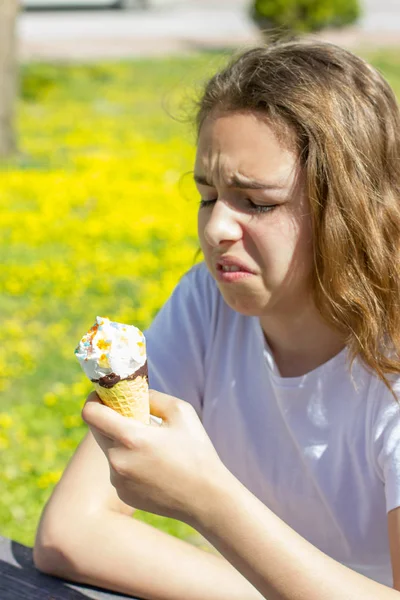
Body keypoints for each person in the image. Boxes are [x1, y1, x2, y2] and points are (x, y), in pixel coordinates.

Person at [33, 38, 400, 600]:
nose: (217, 230)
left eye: (257, 203)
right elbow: (70, 533)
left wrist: (209, 500)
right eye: (208, 196)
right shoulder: (208, 305)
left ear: (354, 207)